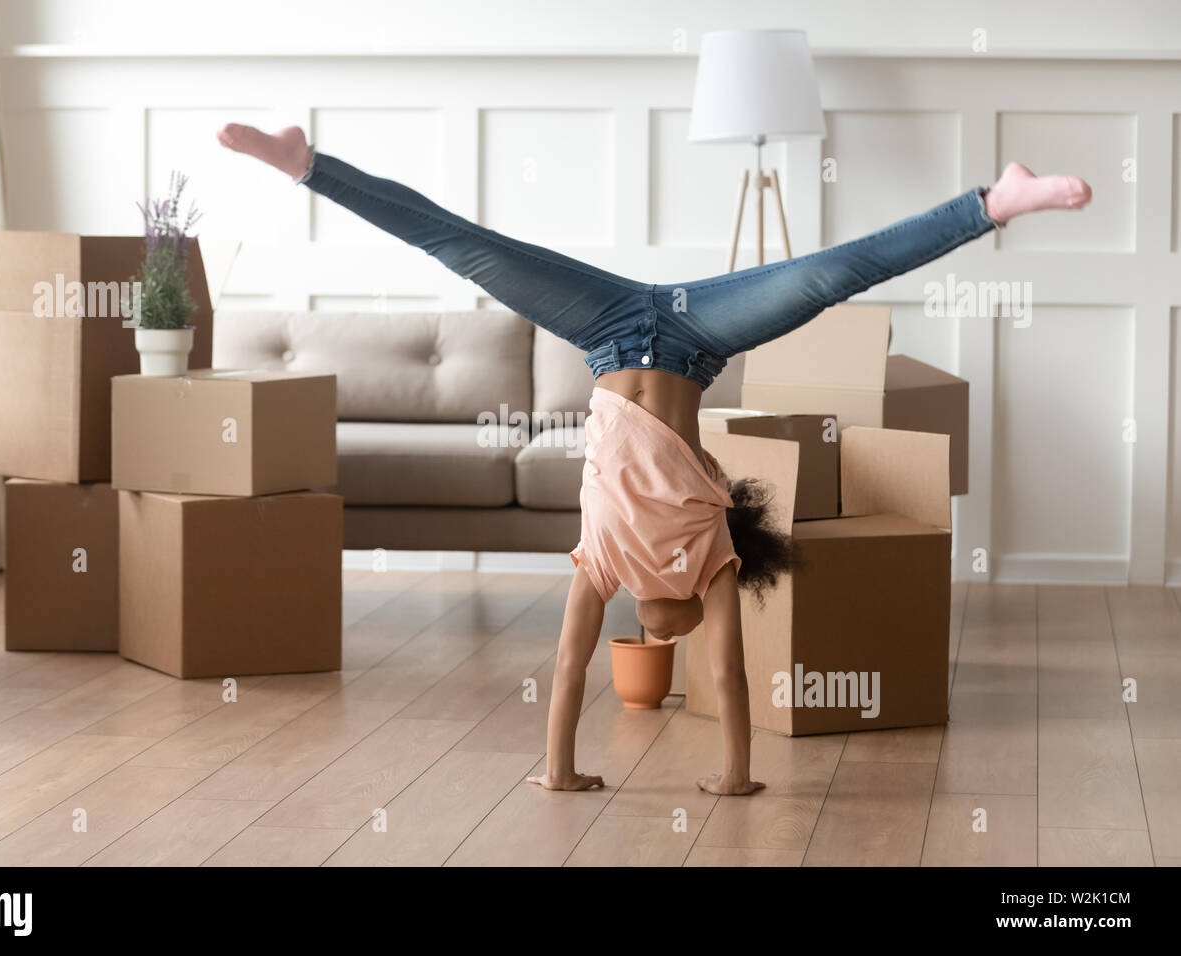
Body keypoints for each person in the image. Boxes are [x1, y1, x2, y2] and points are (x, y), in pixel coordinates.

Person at [219, 123, 1091, 794]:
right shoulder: (713, 563)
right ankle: (992, 204)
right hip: (697, 338)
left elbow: (566, 668)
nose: (650, 639)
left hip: (601, 333)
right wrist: (735, 774)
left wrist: (558, 769)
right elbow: (733, 675)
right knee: (831, 276)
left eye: (642, 639)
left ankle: (306, 166)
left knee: (463, 246)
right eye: (659, 637)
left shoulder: (602, 568)